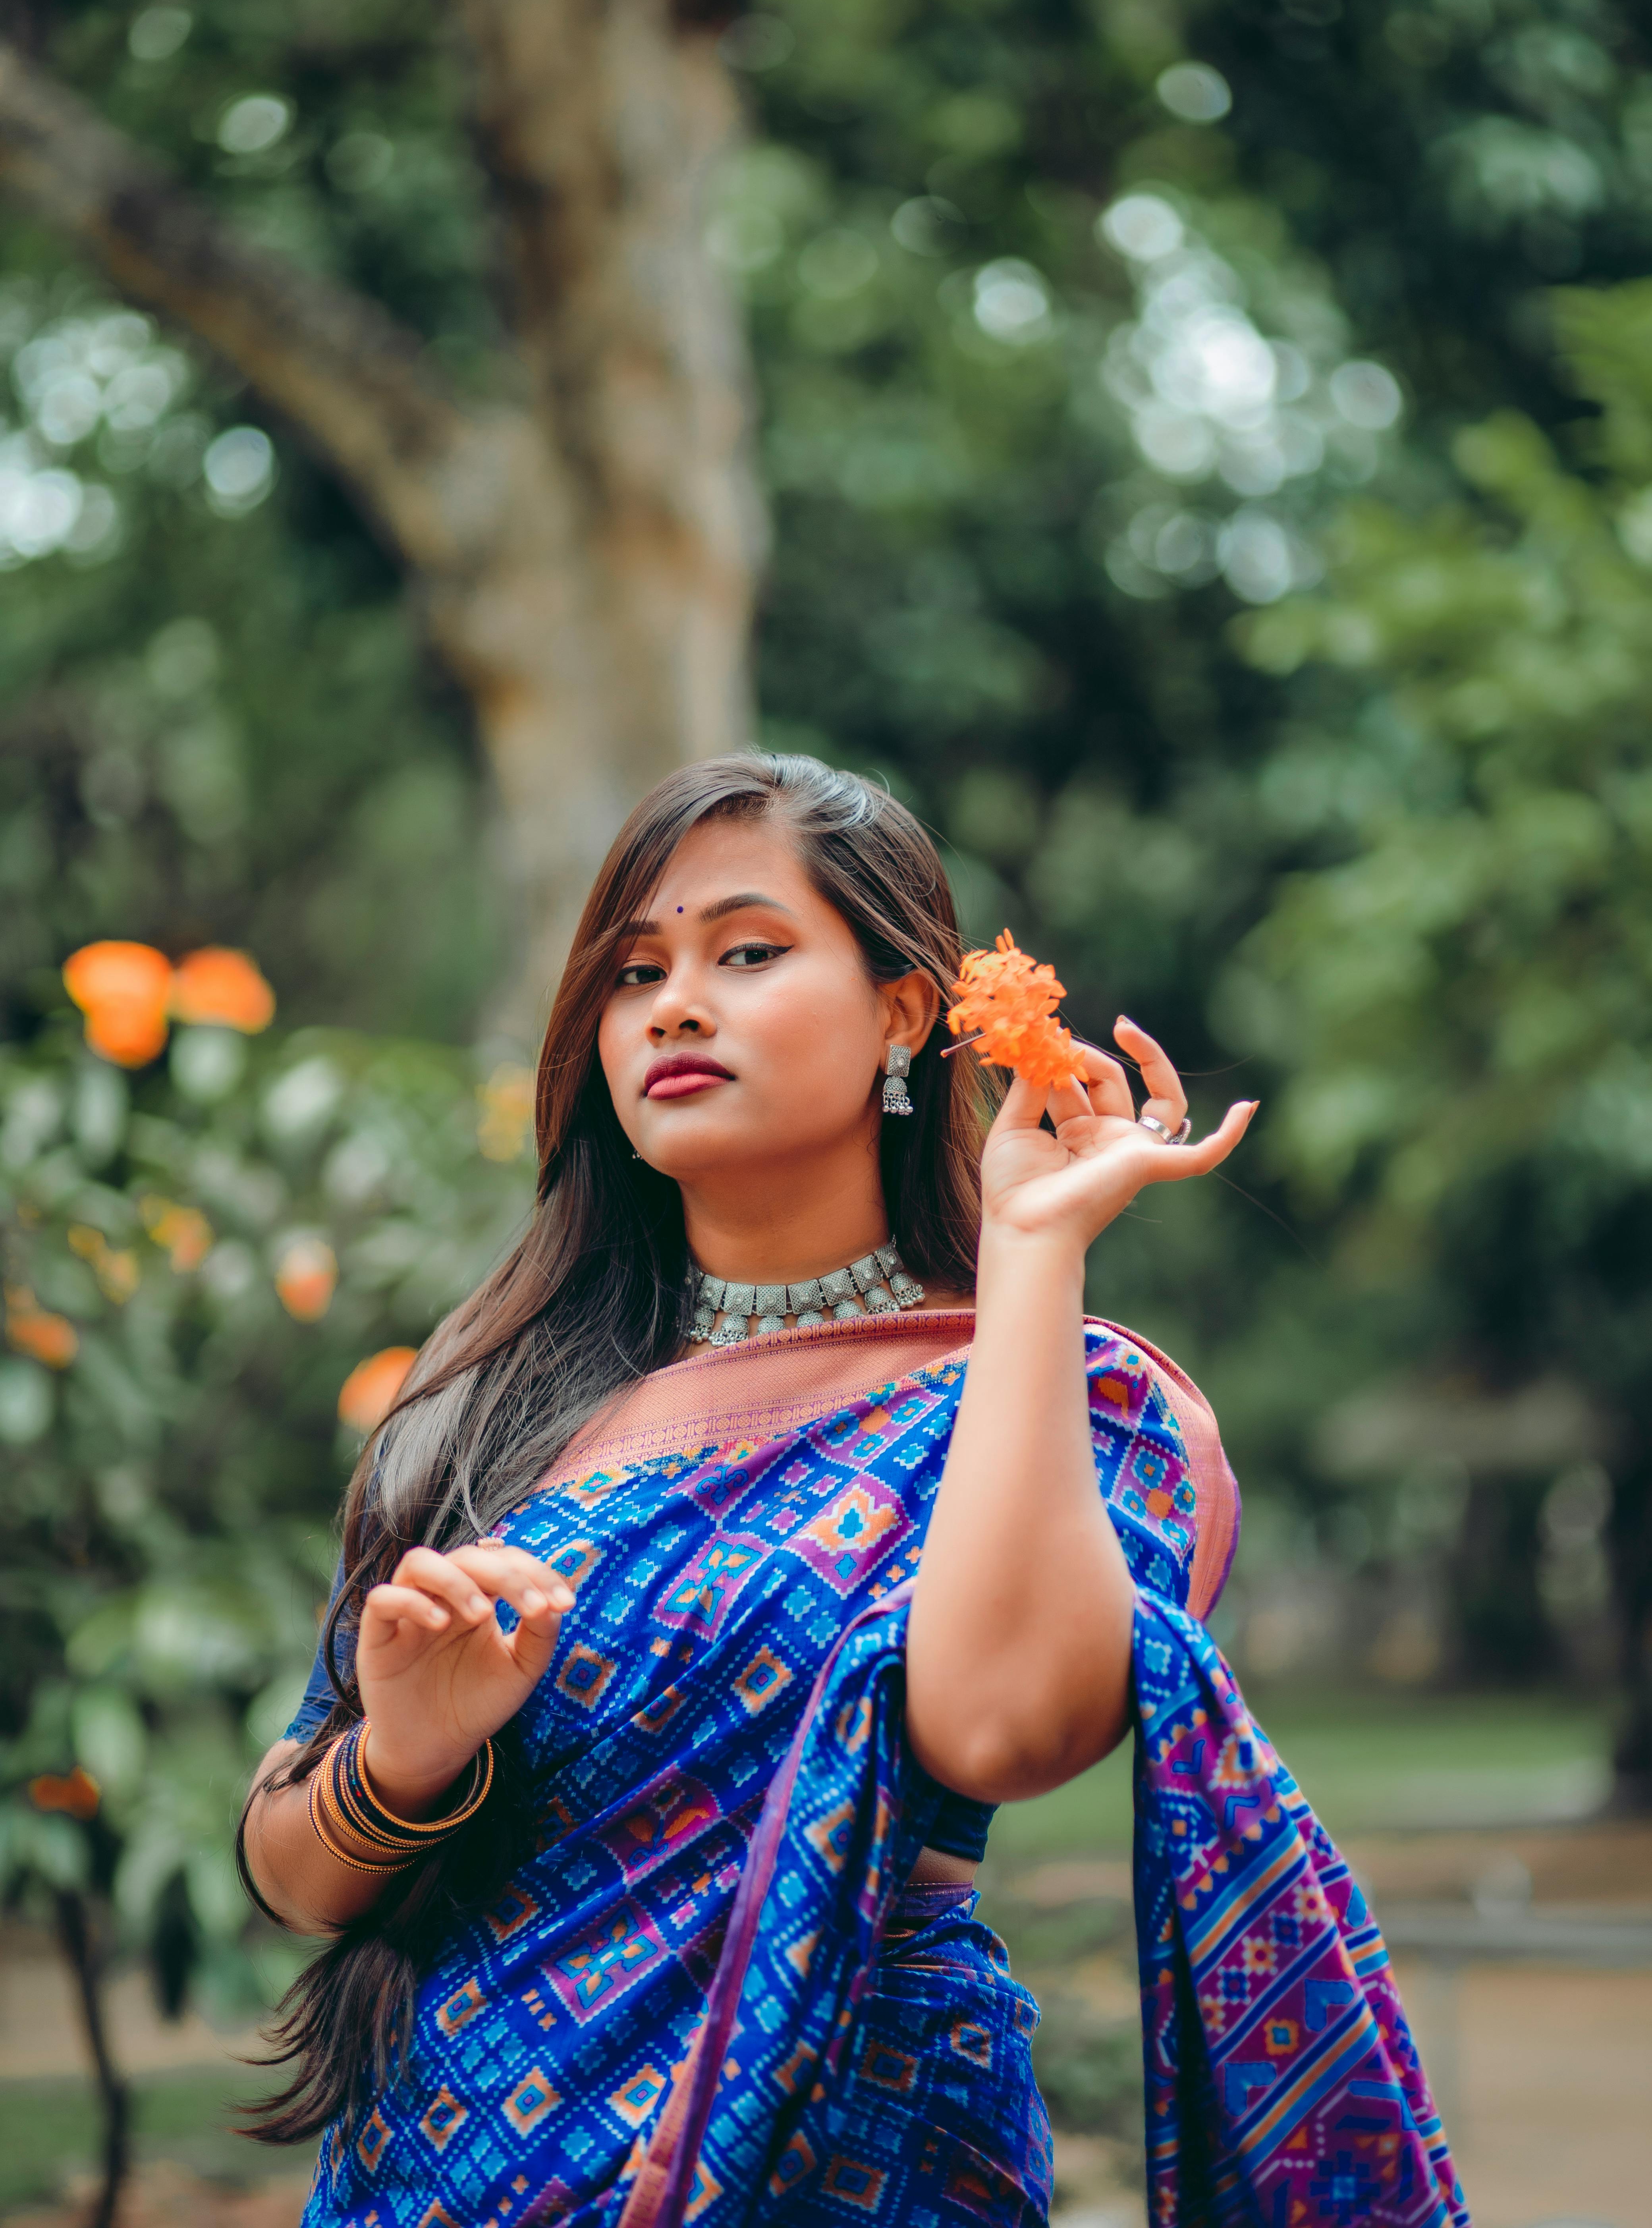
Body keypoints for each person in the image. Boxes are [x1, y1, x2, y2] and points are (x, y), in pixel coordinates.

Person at [239, 752, 1468, 2228]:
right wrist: (407, 1757)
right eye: (635, 974)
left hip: (851, 2171)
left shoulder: (1082, 1399)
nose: (676, 1005)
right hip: (432, 2179)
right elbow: (295, 1872)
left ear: (903, 1012)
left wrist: (1031, 1257)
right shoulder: (485, 1413)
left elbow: (1005, 1724)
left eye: (748, 953)